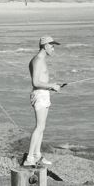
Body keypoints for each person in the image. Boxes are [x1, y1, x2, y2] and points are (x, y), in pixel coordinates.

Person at [24, 36, 64, 167]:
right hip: (40, 95)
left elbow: (40, 82)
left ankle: (37, 155)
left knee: (42, 127)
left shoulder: (40, 60)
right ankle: (29, 158)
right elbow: (35, 82)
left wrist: (51, 87)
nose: (53, 49)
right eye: (52, 46)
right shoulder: (38, 60)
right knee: (39, 126)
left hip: (43, 94)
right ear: (45, 46)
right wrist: (52, 85)